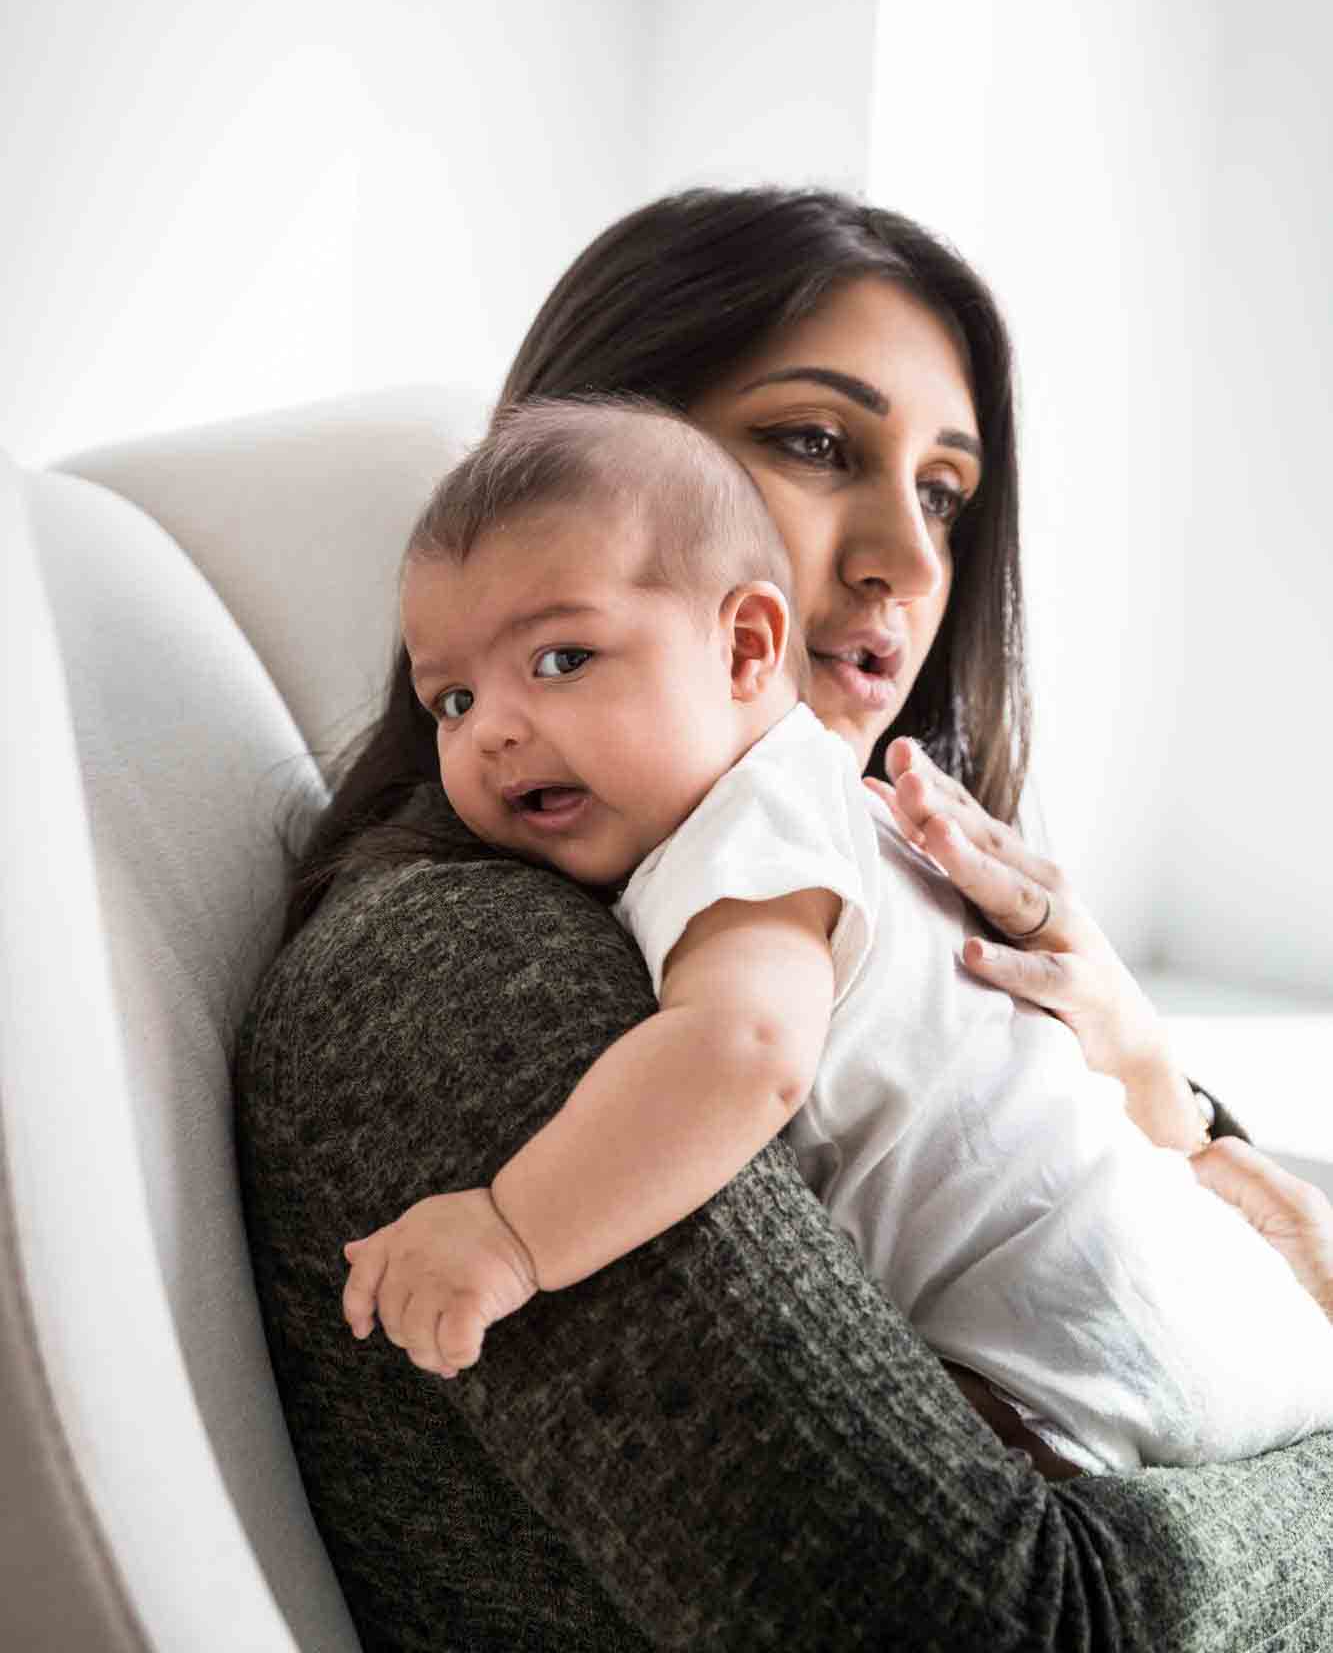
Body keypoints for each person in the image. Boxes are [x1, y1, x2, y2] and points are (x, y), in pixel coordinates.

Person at [235, 188, 1333, 1651]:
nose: (910, 556)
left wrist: (1153, 1089)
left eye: (944, 493)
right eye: (815, 444)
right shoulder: (464, 974)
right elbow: (1018, 1624)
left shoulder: (816, 851)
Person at [339, 395, 1333, 1479]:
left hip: (1086, 1345)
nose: (493, 729)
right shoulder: (830, 806)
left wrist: (509, 1230)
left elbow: (744, 1051)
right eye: (451, 699)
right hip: (1218, 1320)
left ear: (745, 646)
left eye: (563, 657)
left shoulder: (746, 822)